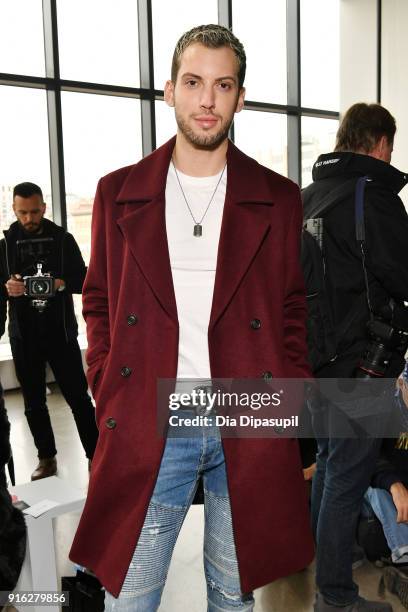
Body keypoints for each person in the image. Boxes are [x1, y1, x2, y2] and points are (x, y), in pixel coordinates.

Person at [70, 24, 314, 611]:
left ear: (240, 97)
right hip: (155, 409)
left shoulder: (277, 197)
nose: (207, 99)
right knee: (130, 595)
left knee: (232, 595)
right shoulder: (117, 192)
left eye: (222, 84)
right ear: (170, 91)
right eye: (193, 82)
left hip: (247, 411)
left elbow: (291, 308)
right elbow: (98, 297)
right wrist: (106, 378)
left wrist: (292, 393)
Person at [302, 103, 408, 611]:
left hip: (314, 362)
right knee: (346, 475)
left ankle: (325, 564)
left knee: (328, 464)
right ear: (380, 143)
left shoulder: (306, 199)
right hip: (365, 364)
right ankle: (336, 596)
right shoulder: (376, 198)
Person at [0, 182, 98, 480]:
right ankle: (47, 459)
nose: (29, 218)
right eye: (22, 213)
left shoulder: (62, 239)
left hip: (61, 333)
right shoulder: (5, 246)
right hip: (23, 336)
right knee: (33, 403)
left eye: (34, 211)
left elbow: (84, 279)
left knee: (79, 398)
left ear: (44, 207)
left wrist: (60, 283)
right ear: (14, 210)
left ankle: (97, 455)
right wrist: (8, 288)